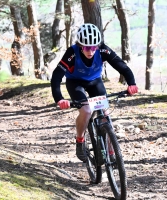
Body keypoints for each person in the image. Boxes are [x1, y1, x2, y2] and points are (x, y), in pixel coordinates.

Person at [50, 23, 138, 162]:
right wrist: (59, 98)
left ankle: (110, 150)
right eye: (86, 47)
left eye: (93, 47)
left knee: (105, 113)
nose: (90, 51)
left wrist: (131, 83)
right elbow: (56, 76)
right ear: (80, 46)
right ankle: (80, 140)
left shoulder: (103, 50)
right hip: (75, 83)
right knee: (86, 111)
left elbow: (122, 66)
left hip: (94, 82)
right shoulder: (72, 53)